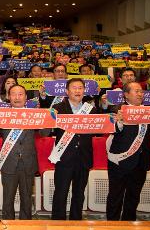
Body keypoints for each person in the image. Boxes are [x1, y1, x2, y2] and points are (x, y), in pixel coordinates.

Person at [0, 84, 44, 220]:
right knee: (7, 200)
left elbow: (44, 133)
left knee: (26, 200)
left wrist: (47, 117)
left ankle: (26, 226)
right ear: (8, 97)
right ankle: (8, 225)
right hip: (9, 162)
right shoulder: (3, 115)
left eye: (20, 94)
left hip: (28, 162)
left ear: (26, 97)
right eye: (13, 94)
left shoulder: (34, 114)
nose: (17, 97)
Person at [50, 78, 97, 220]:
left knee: (79, 193)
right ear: (67, 91)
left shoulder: (92, 109)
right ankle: (58, 224)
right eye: (74, 88)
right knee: (61, 193)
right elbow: (48, 131)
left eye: (80, 88)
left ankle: (76, 222)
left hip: (84, 158)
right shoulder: (58, 108)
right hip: (64, 158)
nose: (77, 91)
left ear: (84, 91)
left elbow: (99, 130)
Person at [106, 82, 150, 221]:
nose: (140, 94)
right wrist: (119, 122)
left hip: (141, 162)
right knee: (115, 196)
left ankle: (129, 224)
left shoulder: (149, 111)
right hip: (120, 161)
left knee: (133, 197)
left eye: (141, 91)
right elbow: (109, 129)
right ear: (126, 94)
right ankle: (112, 225)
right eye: (136, 91)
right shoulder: (116, 109)